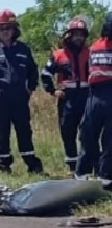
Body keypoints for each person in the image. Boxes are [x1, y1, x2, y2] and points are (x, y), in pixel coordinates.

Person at [0, 9, 44, 174]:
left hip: (20, 97)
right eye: (2, 28)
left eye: (8, 28)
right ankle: (4, 164)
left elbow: (33, 70)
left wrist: (30, 88)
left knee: (24, 129)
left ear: (14, 30)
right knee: (2, 131)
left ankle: (32, 163)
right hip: (0, 96)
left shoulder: (24, 50)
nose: (5, 32)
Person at [41, 17, 90, 172]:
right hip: (67, 98)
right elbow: (45, 74)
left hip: (87, 96)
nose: (78, 38)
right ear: (68, 35)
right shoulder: (58, 55)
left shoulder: (90, 53)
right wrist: (53, 90)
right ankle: (72, 166)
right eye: (75, 34)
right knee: (67, 131)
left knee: (88, 132)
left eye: (81, 34)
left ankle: (87, 164)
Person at [74, 12, 112, 187]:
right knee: (87, 134)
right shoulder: (96, 46)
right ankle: (82, 173)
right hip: (95, 93)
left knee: (110, 140)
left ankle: (106, 178)